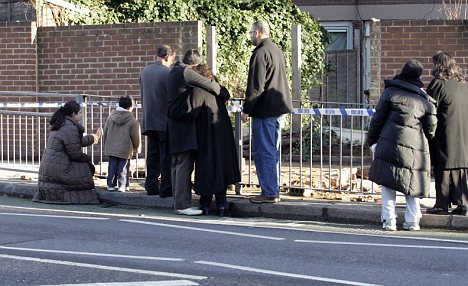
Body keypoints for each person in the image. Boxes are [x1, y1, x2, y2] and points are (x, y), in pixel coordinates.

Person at [367, 59, 437, 231]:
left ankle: (389, 220)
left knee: (388, 183)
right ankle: (413, 221)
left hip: (388, 142)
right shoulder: (424, 100)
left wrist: (372, 141)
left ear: (403, 72)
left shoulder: (390, 92)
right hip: (414, 148)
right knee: (412, 185)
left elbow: (377, 119)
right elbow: (431, 127)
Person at [241, 20, 293, 204]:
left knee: (264, 151)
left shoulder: (260, 53)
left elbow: (256, 85)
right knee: (273, 150)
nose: (250, 37)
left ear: (257, 32)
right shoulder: (276, 50)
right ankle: (273, 189)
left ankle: (269, 192)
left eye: (250, 33)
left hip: (265, 110)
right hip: (278, 107)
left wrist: (247, 109)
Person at [167, 49, 222, 216]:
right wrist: (216, 84)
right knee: (184, 164)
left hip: (173, 123)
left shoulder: (173, 71)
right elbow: (212, 86)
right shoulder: (186, 72)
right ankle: (183, 205)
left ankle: (177, 202)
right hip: (184, 125)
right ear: (196, 64)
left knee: (176, 164)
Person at [189, 63, 241, 216]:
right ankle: (221, 204)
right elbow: (226, 95)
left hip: (205, 134)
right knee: (221, 168)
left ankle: (205, 204)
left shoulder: (198, 90)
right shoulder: (219, 89)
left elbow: (192, 111)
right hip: (222, 134)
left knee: (206, 168)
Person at [33, 101, 103, 204]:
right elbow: (75, 153)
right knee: (88, 167)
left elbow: (75, 142)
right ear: (74, 114)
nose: (81, 116)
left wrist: (94, 137)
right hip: (60, 170)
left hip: (49, 169)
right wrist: (87, 158)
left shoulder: (61, 124)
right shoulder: (70, 128)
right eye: (80, 113)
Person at [426, 51, 468, 216]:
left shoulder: (438, 84)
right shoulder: (463, 84)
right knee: (460, 167)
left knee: (442, 168)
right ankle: (462, 203)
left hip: (444, 131)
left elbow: (428, 108)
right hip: (463, 131)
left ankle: (441, 204)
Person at [139, 45, 175, 197]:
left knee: (152, 155)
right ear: (167, 56)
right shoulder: (168, 73)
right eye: (172, 59)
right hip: (164, 121)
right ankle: (167, 187)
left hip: (149, 120)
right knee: (165, 156)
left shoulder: (144, 72)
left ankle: (151, 185)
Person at [103, 96, 141, 192]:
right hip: (125, 148)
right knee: (123, 167)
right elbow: (135, 136)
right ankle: (123, 185)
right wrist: (136, 147)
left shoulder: (111, 117)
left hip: (111, 146)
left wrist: (105, 144)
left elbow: (106, 131)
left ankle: (110, 185)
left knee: (111, 166)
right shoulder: (133, 121)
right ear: (130, 107)